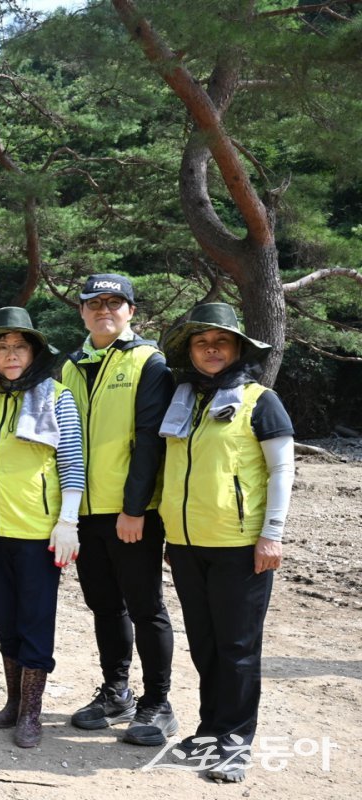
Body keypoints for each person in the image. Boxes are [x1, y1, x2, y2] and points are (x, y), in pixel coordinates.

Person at [157, 303, 294, 783]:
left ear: (238, 349)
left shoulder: (261, 400)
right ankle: (210, 729)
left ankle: (235, 743)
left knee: (237, 647)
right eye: (201, 342)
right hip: (188, 545)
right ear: (190, 352)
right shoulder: (184, 400)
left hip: (241, 546)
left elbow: (282, 471)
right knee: (205, 644)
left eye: (221, 342)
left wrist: (271, 535)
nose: (211, 350)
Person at [60, 274, 178, 745]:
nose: (103, 309)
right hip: (83, 512)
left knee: (146, 606)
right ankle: (116, 690)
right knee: (104, 606)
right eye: (94, 303)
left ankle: (158, 702)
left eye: (114, 302)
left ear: (130, 310)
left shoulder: (149, 362)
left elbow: (150, 440)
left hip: (131, 513)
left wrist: (134, 509)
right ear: (83, 311)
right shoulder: (69, 366)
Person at [0, 306, 84, 748]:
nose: (10, 354)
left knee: (35, 622)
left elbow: (73, 462)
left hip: (38, 532)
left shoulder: (56, 396)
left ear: (34, 351)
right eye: (1, 346)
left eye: (19, 346)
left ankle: (32, 713)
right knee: (4, 620)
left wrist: (67, 521)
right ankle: (13, 702)